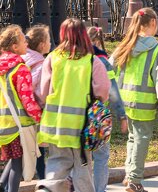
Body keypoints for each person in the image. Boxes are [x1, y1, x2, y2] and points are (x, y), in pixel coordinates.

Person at [37, 18, 110, 192]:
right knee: (82, 166)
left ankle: (47, 188)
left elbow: (43, 91)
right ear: (84, 35)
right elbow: (103, 92)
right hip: (81, 126)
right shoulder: (92, 62)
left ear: (62, 35)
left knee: (57, 162)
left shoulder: (52, 59)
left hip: (55, 123)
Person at [111, 8, 158, 192]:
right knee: (141, 139)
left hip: (124, 101)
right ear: (153, 24)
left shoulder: (124, 47)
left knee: (133, 138)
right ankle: (134, 180)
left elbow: (110, 72)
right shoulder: (157, 51)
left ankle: (129, 174)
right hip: (144, 103)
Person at [0, 25, 42, 192]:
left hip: (2, 125)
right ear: (14, 47)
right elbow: (27, 100)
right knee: (18, 163)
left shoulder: (2, 67)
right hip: (16, 126)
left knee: (12, 159)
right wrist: (39, 117)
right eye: (24, 41)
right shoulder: (20, 68)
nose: (27, 44)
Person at [87, 27, 128, 192]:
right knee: (101, 157)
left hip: (78, 112)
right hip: (98, 114)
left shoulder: (75, 59)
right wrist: (122, 115)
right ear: (98, 41)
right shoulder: (103, 62)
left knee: (83, 157)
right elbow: (113, 92)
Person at [23, 24, 51, 180]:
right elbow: (39, 92)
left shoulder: (23, 59)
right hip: (34, 114)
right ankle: (44, 181)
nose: (50, 44)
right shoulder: (40, 65)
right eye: (48, 40)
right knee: (39, 151)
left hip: (18, 113)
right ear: (41, 45)